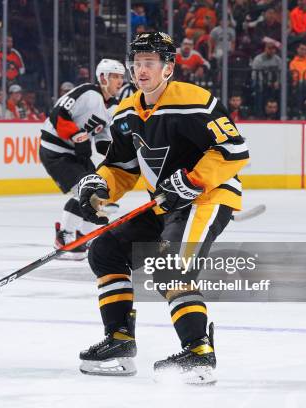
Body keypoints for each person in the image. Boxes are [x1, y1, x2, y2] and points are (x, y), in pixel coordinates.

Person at [75, 32, 249, 383]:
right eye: (137, 63)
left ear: (167, 67)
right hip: (165, 203)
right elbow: (121, 167)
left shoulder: (195, 101)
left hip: (208, 197)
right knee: (106, 251)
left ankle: (199, 351)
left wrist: (194, 180)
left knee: (170, 266)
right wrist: (99, 185)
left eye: (149, 63)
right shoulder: (126, 112)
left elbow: (234, 150)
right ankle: (120, 341)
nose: (141, 70)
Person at [39, 58, 125, 260]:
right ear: (103, 77)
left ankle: (82, 236)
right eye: (115, 77)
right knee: (85, 190)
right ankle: (63, 237)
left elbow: (103, 138)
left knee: (100, 190)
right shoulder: (88, 92)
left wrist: (115, 154)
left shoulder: (113, 107)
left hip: (75, 154)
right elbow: (58, 114)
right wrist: (77, 135)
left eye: (121, 77)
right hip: (55, 151)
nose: (120, 81)